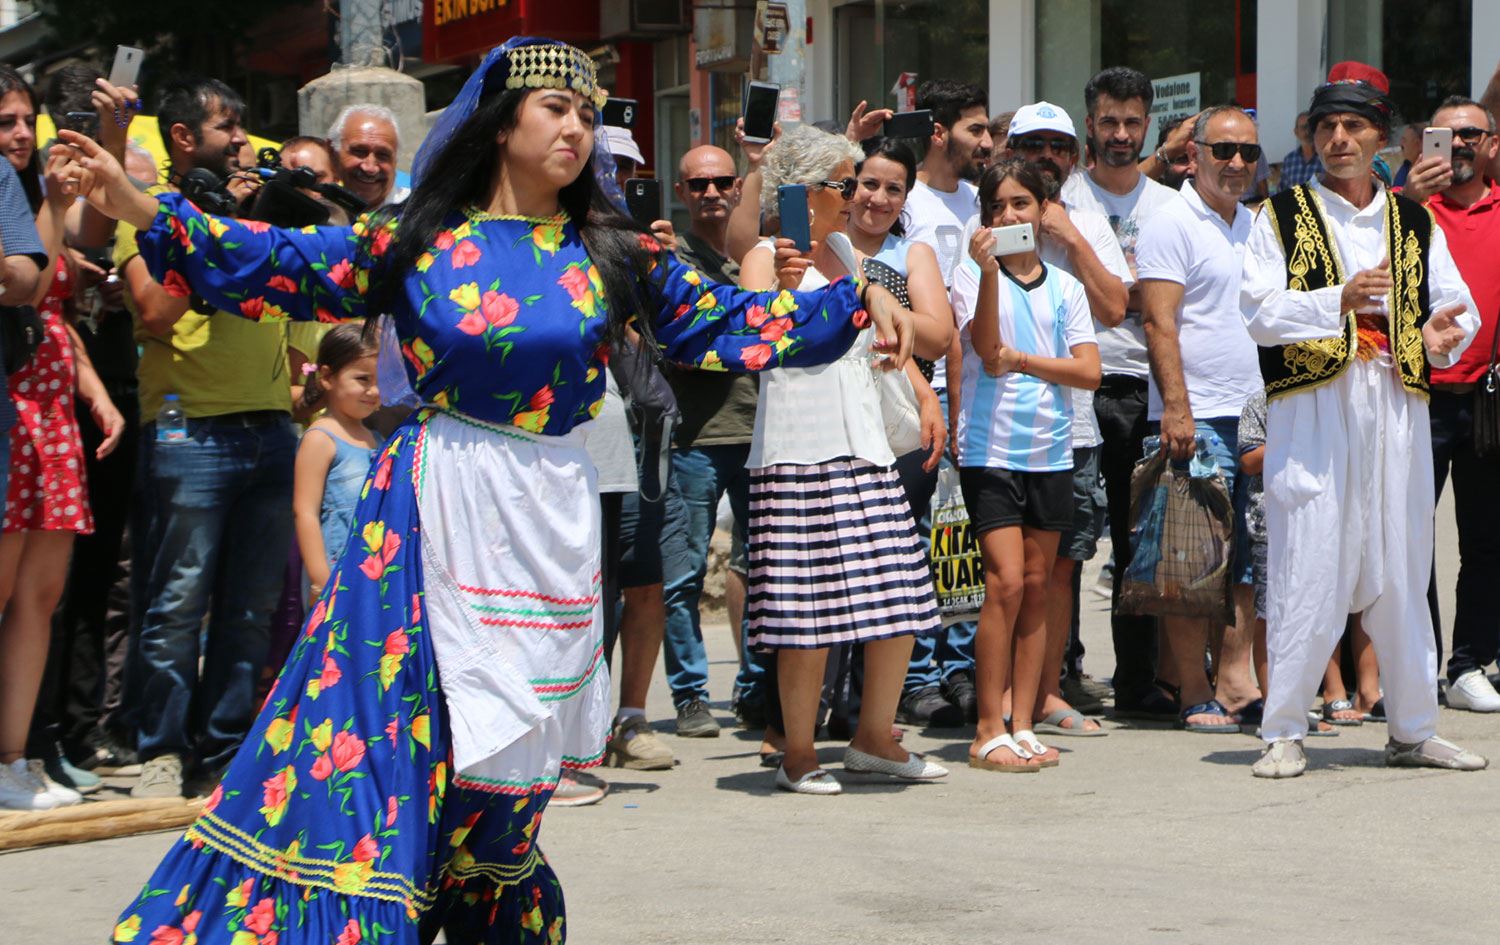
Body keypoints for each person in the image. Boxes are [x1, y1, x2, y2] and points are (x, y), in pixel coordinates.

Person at [65, 36, 914, 941]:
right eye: (557, 108)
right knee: (403, 748)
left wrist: (863, 293)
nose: (577, 128)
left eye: (589, 114)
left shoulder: (610, 249)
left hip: (549, 509)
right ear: (501, 123)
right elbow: (275, 261)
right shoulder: (416, 236)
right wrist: (136, 203)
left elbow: (731, 322)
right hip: (432, 508)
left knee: (508, 772)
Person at [1239, 62, 1486, 778]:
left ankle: (1412, 727)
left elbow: (1456, 306)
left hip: (1397, 405)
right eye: (1327, 127)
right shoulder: (1279, 216)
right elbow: (1257, 311)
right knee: (1309, 561)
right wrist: (1336, 301)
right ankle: (1283, 727)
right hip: (1316, 409)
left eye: (1353, 126)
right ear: (1312, 137)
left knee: (1404, 566)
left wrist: (1444, 337)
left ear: (1383, 136)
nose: (1339, 139)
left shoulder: (1411, 219)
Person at [740, 122, 949, 795]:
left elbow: (882, 341)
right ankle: (798, 750)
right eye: (843, 182)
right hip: (797, 448)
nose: (855, 191)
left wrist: (919, 388)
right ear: (804, 189)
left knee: (901, 599)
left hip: (864, 444)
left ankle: (872, 737)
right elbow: (753, 339)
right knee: (805, 615)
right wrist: (780, 287)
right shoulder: (765, 257)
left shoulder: (845, 254)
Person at [114, 76, 294, 801]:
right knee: (178, 601)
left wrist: (251, 227)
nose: (244, 141)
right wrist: (211, 240)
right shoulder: (150, 212)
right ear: (185, 138)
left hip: (272, 422)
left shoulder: (259, 212)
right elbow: (155, 311)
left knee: (250, 607)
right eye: (228, 127)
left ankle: (221, 752)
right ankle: (159, 748)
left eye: (244, 126)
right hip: (190, 428)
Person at [954, 158, 1100, 771]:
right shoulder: (970, 273)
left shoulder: (1066, 286)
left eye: (1022, 204)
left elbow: (1089, 371)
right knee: (1006, 583)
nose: (1010, 216)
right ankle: (988, 727)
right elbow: (987, 353)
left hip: (1051, 452)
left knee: (1040, 588)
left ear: (1044, 211)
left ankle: (1022, 721)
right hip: (991, 449)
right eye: (998, 207)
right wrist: (988, 276)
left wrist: (1024, 359)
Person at [1058, 70, 1186, 722]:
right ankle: (1060, 673)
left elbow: (1168, 300)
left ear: (1147, 125)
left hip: (1143, 387)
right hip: (1074, 384)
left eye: (1132, 122)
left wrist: (1121, 289)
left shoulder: (1170, 205)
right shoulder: (1061, 199)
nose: (1120, 134)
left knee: (1137, 542)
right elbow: (1114, 294)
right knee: (1067, 540)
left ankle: (1136, 680)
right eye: (1108, 121)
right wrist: (1128, 288)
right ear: (1090, 123)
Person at [1136, 105, 1266, 734]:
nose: (1237, 164)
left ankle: (1236, 680)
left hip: (1253, 412)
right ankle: (1192, 686)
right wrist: (1177, 407)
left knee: (1244, 557)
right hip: (1196, 414)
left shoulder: (1254, 224)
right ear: (1194, 155)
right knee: (1190, 560)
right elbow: (1159, 320)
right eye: (1223, 151)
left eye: (1248, 153)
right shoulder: (1170, 221)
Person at [1001, 99, 1130, 733]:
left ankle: (1046, 692)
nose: (1046, 158)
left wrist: (1071, 239)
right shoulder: (989, 214)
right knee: (1002, 572)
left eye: (1058, 147)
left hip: (1070, 425)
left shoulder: (1085, 221)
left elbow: (1113, 308)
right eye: (1032, 146)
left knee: (1058, 569)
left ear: (1074, 159)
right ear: (1010, 151)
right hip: (993, 426)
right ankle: (998, 696)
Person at [1397, 97, 1500, 712]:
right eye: (1446, 134)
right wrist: (1407, 201)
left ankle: (1469, 665)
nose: (1457, 145)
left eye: (1471, 134)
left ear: (1491, 144)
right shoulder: (1406, 208)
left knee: (1486, 540)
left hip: (1487, 400)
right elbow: (1374, 272)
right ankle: (1418, 664)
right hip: (1418, 396)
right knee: (1411, 541)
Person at [656, 145, 765, 727]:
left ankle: (754, 689)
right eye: (698, 185)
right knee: (684, 571)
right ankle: (690, 693)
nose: (712, 193)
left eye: (723, 181)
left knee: (764, 569)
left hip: (760, 434)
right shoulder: (669, 257)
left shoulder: (761, 253)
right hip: (695, 437)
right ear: (681, 191)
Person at [897, 78, 993, 726]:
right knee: (916, 540)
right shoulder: (909, 201)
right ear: (939, 131)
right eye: (976, 129)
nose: (988, 141)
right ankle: (917, 673)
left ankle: (960, 668)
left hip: (980, 387)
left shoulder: (981, 200)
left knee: (960, 539)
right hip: (923, 387)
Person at [0, 69, 84, 811]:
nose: (22, 134)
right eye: (5, 121)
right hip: (10, 399)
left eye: (27, 119)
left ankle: (15, 759)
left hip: (51, 407)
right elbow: (36, 279)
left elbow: (53, 297)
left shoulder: (33, 195)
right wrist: (52, 208)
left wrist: (89, 389)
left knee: (41, 592)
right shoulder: (15, 202)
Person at [292, 323, 379, 602]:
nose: (374, 391)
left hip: (372, 575)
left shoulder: (377, 439)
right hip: (335, 578)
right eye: (363, 379)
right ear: (328, 377)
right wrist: (321, 583)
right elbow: (305, 512)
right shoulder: (320, 438)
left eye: (380, 381)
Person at [328, 103, 400, 209]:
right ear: (332, 152)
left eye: (382, 155)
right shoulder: (312, 211)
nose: (370, 168)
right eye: (359, 151)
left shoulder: (417, 215)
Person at [1277, 111, 1322, 193]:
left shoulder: (1324, 158)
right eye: (1304, 127)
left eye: (1310, 127)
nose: (1307, 131)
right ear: (1296, 132)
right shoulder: (1289, 160)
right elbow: (1282, 191)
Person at [1392, 124, 1421, 189]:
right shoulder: (1405, 167)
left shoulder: (1430, 169)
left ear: (1418, 144)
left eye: (1404, 140)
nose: (1401, 144)